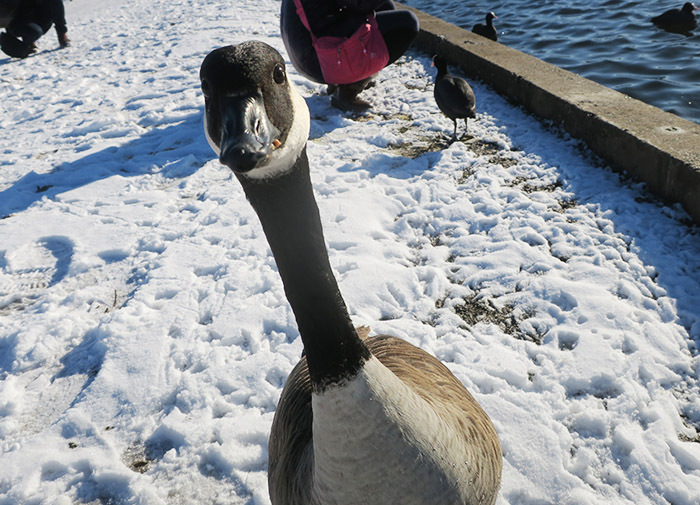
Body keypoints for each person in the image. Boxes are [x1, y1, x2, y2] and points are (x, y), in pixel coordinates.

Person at [281, 0, 419, 112]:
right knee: (408, 23)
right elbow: (360, 3)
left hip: (308, 53)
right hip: (319, 61)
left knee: (386, 7)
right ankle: (348, 90)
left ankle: (342, 81)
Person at [0, 0, 69, 59]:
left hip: (39, 20)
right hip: (18, 24)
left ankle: (29, 41)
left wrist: (61, 31)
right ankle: (26, 44)